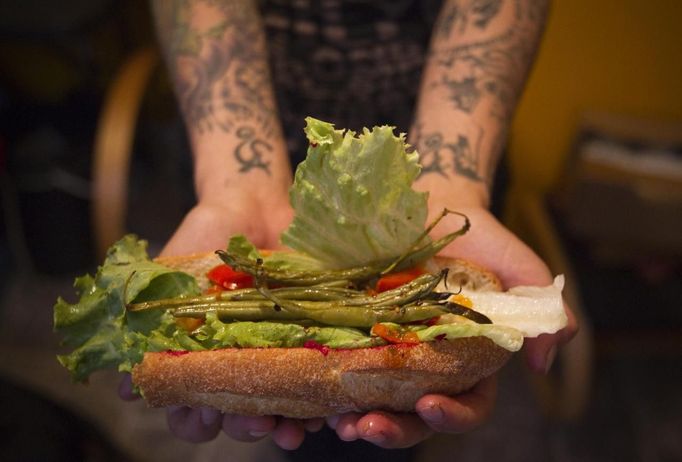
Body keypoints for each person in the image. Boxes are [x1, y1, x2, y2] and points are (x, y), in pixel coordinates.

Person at [123, 0, 577, 453]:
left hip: (434, 142)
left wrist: (452, 188)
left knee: (381, 432)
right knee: (299, 427)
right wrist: (234, 186)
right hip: (240, 138)